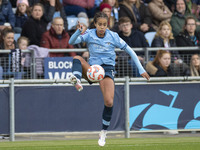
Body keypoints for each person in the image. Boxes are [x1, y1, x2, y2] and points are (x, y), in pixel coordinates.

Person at [68, 12, 150, 146]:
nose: (102, 27)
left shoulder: (113, 36)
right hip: (93, 69)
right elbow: (71, 42)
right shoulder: (89, 33)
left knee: (109, 102)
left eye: (104, 24)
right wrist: (78, 32)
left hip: (106, 70)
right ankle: (76, 79)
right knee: (77, 58)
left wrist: (141, 69)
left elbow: (130, 51)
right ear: (95, 24)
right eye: (99, 24)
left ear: (108, 25)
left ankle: (103, 132)